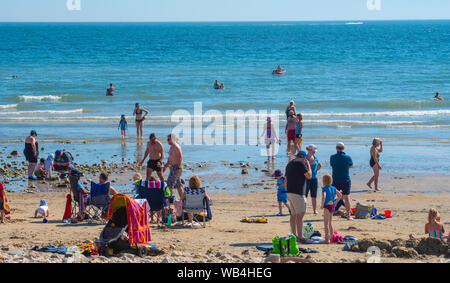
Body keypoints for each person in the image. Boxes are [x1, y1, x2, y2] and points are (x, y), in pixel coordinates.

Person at [285, 150, 312, 240]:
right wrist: (308, 165)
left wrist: (286, 190)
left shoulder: (289, 164)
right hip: (298, 192)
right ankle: (300, 236)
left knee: (293, 214)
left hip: (289, 191)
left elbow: (285, 179)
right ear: (304, 158)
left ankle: (293, 235)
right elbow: (309, 176)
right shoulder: (301, 164)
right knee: (300, 215)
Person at [330, 142, 354, 220]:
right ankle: (348, 216)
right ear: (343, 148)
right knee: (346, 197)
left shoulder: (332, 157)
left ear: (336, 148)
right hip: (345, 179)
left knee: (333, 196)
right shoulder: (348, 157)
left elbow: (332, 165)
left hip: (335, 179)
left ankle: (330, 212)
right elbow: (351, 165)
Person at [321, 174, 342, 244]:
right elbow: (340, 195)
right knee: (330, 223)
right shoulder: (333, 188)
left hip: (327, 207)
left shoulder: (324, 188)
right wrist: (335, 202)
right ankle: (332, 238)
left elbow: (324, 197)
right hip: (332, 206)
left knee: (326, 223)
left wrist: (321, 205)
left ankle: (326, 239)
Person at [163, 134, 184, 198]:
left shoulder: (176, 147)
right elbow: (170, 158)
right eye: (167, 139)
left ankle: (170, 200)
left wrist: (179, 168)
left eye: (169, 139)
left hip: (176, 167)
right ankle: (183, 199)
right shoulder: (172, 147)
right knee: (178, 185)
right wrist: (166, 166)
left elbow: (180, 157)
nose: (167, 141)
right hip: (172, 167)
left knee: (169, 185)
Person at [306, 144, 322, 215]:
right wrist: (309, 163)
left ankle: (314, 210)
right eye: (313, 151)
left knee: (314, 195)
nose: (314, 152)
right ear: (308, 150)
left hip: (314, 178)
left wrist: (319, 167)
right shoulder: (305, 158)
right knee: (304, 195)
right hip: (306, 179)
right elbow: (302, 168)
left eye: (315, 151)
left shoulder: (315, 157)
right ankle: (303, 209)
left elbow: (315, 169)